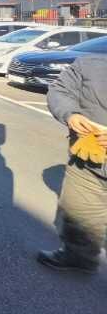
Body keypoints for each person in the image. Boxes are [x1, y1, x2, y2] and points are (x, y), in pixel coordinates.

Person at [38, 54, 107, 274]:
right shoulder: (88, 64)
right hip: (87, 163)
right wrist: (70, 114)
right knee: (79, 212)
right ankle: (79, 257)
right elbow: (60, 91)